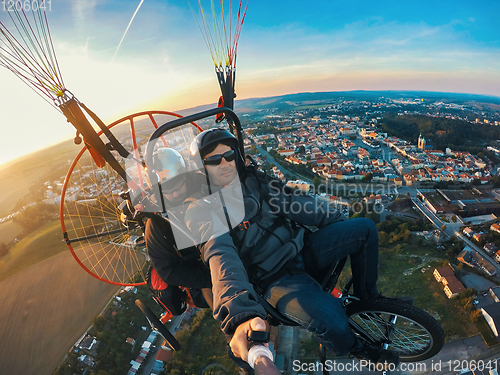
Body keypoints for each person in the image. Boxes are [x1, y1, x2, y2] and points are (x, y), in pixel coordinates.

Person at [183, 128, 401, 370]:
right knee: (332, 321)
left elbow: (296, 204)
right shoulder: (201, 210)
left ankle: (368, 300)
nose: (224, 163)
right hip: (274, 279)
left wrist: (336, 218)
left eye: (229, 155)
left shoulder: (254, 182)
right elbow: (221, 257)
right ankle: (358, 349)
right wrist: (240, 312)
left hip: (302, 248)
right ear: (201, 169)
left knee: (365, 229)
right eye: (214, 160)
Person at [143, 147, 211, 312]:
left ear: (186, 176)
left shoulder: (205, 184)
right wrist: (210, 278)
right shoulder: (157, 223)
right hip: (205, 275)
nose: (174, 194)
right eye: (167, 191)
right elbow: (168, 271)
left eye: (177, 187)